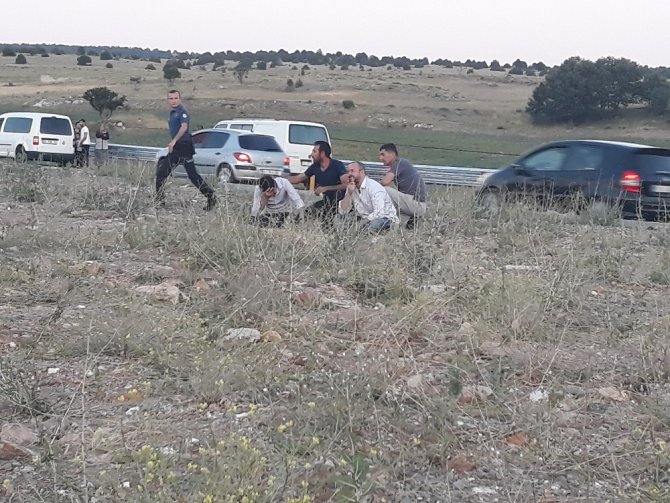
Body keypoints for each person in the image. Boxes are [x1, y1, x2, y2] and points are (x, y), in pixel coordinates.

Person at [155, 90, 216, 210]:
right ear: (168, 100)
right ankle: (160, 201)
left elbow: (184, 127)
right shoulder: (172, 113)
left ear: (180, 99)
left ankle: (211, 196)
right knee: (161, 174)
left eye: (175, 98)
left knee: (193, 176)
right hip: (176, 148)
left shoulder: (182, 112)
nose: (173, 101)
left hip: (184, 146)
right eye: (171, 98)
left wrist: (174, 140)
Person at [287, 141, 348, 225]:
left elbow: (346, 185)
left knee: (328, 220)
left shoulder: (337, 165)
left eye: (314, 151)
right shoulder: (314, 167)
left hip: (340, 204)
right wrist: (280, 178)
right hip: (325, 202)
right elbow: (298, 179)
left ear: (322, 153)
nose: (311, 154)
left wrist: (326, 188)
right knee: (303, 215)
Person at [338, 161, 398, 233]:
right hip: (364, 218)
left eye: (352, 171)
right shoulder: (351, 186)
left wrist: (360, 223)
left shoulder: (373, 187)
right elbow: (343, 211)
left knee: (374, 224)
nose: (349, 174)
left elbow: (379, 213)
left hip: (385, 219)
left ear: (362, 172)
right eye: (348, 171)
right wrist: (349, 194)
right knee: (338, 218)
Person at [378, 143, 428, 229]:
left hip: (416, 204)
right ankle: (410, 222)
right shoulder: (401, 165)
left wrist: (370, 185)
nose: (380, 158)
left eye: (383, 154)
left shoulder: (400, 163)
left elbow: (385, 182)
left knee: (384, 190)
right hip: (413, 203)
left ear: (392, 154)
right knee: (394, 228)